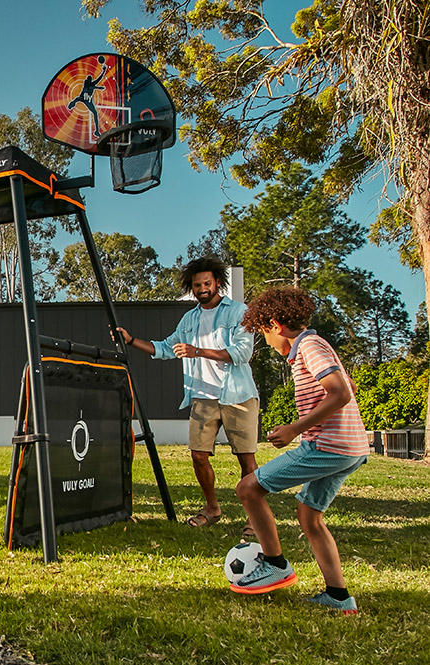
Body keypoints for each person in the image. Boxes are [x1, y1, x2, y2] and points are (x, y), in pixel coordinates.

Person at [230, 287, 368, 613]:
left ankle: (276, 564)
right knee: (310, 517)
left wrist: (295, 428)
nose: (265, 341)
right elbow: (349, 387)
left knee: (248, 488)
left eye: (264, 333)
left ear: (276, 325)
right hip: (351, 448)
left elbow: (340, 393)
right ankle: (339, 597)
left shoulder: (308, 345)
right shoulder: (315, 346)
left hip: (327, 447)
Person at [115, 256, 259, 534]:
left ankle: (254, 517)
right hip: (202, 396)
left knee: (246, 459)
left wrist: (198, 352)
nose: (203, 288)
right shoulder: (189, 319)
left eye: (207, 283)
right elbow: (166, 348)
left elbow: (243, 353)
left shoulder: (239, 312)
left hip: (238, 396)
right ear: (191, 288)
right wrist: (131, 341)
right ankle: (212, 508)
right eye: (197, 285)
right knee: (198, 456)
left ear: (218, 282)